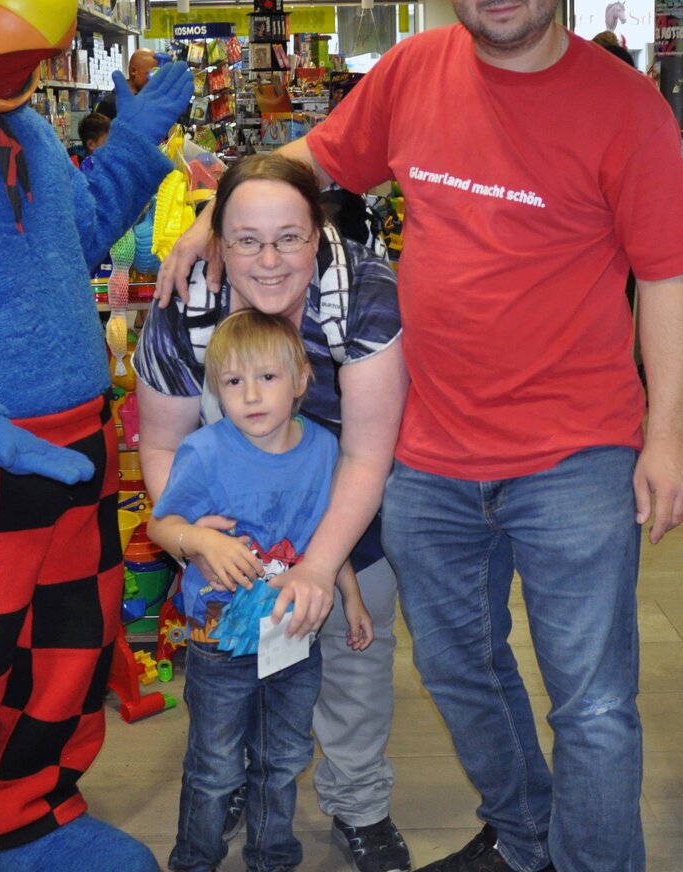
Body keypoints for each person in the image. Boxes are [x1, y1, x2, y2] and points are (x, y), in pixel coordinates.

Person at [156, 0, 683, 872]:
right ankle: (528, 837)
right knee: (461, 674)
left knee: (592, 703)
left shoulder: (623, 106)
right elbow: (316, 158)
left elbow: (669, 278)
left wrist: (670, 436)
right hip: (428, 451)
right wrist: (222, 208)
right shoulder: (415, 69)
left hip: (575, 453)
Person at [136, 153, 410, 872]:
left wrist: (321, 569)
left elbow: (366, 457)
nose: (268, 260)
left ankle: (358, 801)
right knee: (226, 684)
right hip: (233, 522)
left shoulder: (362, 291)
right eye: (246, 239)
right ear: (217, 241)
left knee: (353, 655)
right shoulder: (185, 301)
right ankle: (230, 784)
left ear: (318, 234)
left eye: (289, 238)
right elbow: (161, 445)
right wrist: (191, 535)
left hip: (339, 498)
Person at [147, 308, 374, 872]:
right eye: (232, 381)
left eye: (267, 377)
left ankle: (273, 857)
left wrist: (351, 597)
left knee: (284, 758)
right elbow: (160, 524)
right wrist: (200, 539)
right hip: (217, 640)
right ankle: (194, 859)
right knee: (215, 765)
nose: (250, 395)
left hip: (294, 636)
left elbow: (326, 535)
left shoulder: (324, 451)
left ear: (300, 380)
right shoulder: (204, 451)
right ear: (216, 390)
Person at [97, 48, 157, 118]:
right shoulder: (109, 105)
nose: (154, 79)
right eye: (151, 74)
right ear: (133, 71)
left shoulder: (149, 101)